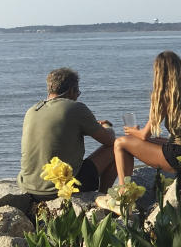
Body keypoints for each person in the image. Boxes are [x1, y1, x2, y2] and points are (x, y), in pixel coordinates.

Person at [17, 68, 117, 198]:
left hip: (28, 187)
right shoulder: (76, 108)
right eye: (78, 92)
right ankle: (103, 197)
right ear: (71, 91)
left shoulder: (32, 110)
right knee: (118, 148)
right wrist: (106, 126)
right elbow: (109, 140)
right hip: (60, 189)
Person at [112, 51, 181, 186]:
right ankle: (126, 188)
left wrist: (132, 131)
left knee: (120, 143)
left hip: (178, 158)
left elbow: (144, 135)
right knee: (149, 141)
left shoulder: (165, 95)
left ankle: (123, 190)